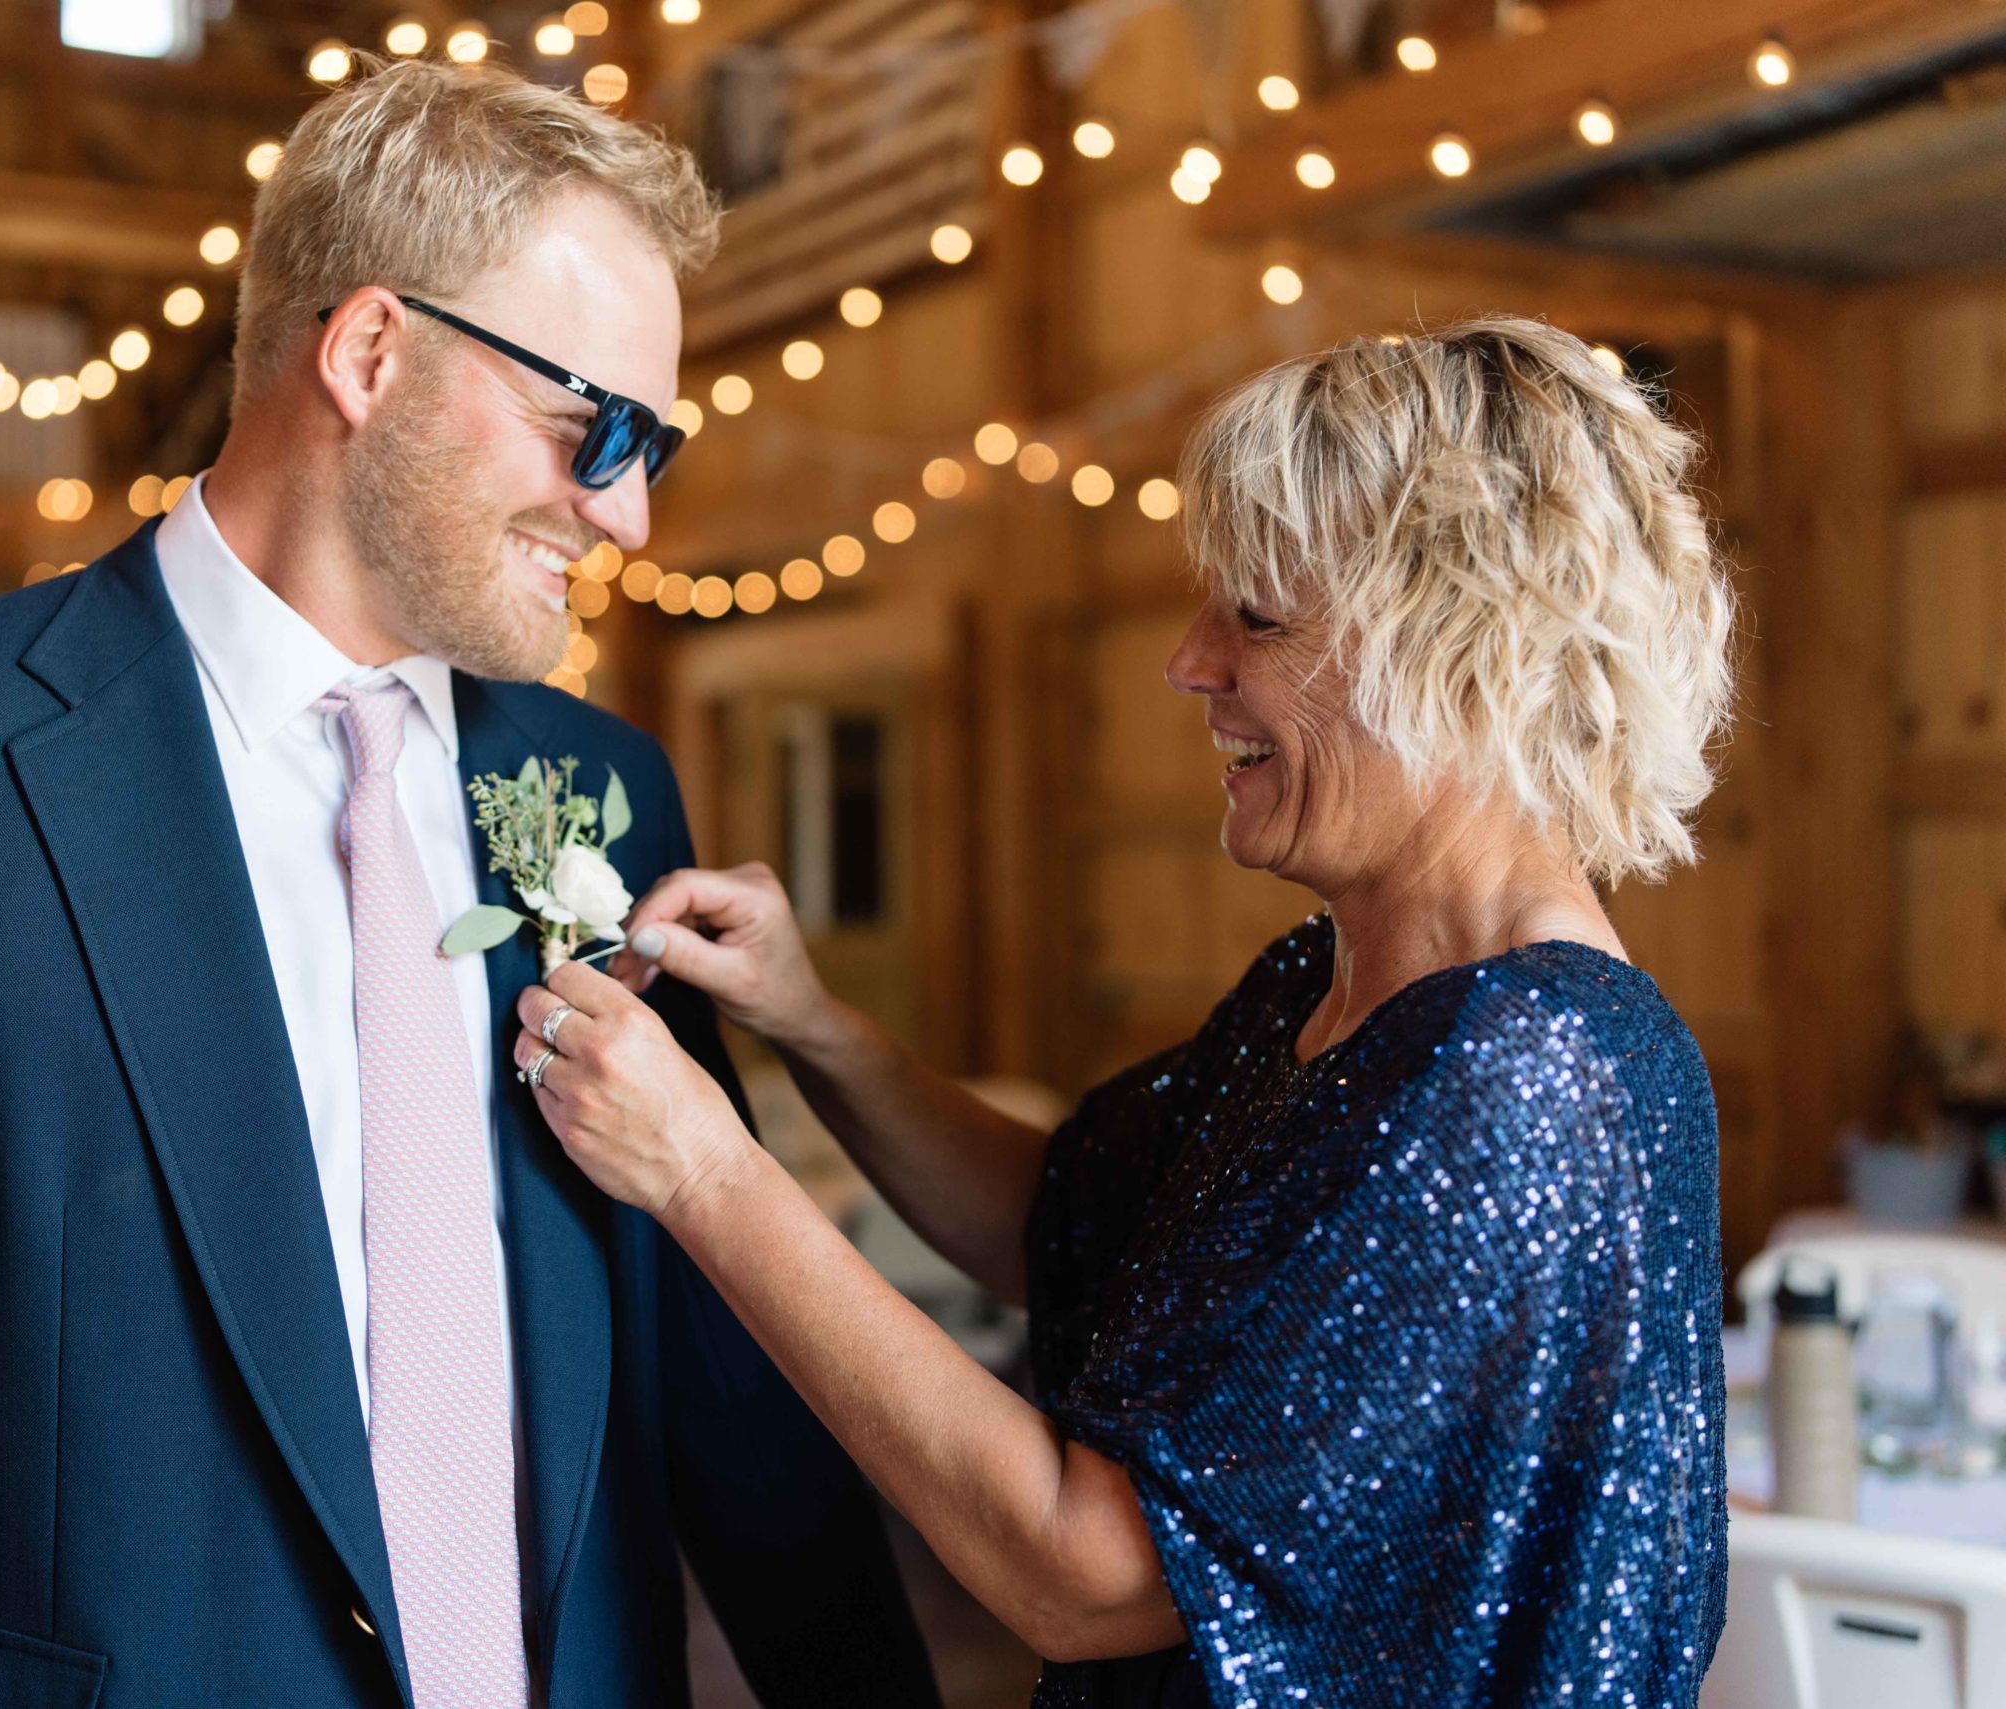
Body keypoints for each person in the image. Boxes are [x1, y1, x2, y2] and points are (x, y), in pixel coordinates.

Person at [0, 60, 934, 1709]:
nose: (624, 508)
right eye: (590, 426)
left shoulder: (601, 792)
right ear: (369, 352)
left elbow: (729, 1383)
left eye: (654, 444)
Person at [516, 318, 1736, 1707]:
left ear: (1465, 654)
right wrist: (816, 1024)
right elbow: (1057, 1222)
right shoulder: (1325, 986)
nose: (1188, 662)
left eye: (1259, 618)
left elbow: (1083, 1572)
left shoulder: (1523, 1070)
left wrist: (703, 1170)